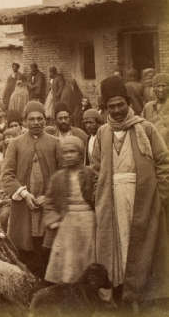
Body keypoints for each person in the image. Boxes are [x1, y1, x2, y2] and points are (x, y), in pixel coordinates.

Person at [92, 76, 169, 308]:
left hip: (143, 200)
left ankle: (146, 298)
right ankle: (121, 296)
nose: (116, 110)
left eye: (120, 105)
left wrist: (160, 198)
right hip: (112, 201)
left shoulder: (145, 128)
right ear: (105, 107)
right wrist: (99, 196)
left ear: (128, 103)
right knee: (118, 246)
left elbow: (163, 163)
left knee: (144, 246)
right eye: (111, 106)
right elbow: (96, 169)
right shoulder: (103, 132)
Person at [2, 101, 61, 278]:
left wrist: (49, 196)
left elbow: (63, 175)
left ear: (45, 121)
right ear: (25, 121)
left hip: (48, 207)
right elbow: (7, 175)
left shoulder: (55, 143)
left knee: (47, 250)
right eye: (31, 119)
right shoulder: (15, 144)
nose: (36, 122)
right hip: (23, 208)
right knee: (26, 253)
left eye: (40, 119)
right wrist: (24, 194)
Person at [43, 136, 95, 284]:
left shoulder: (90, 173)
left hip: (89, 221)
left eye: (73, 151)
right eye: (65, 152)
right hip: (68, 222)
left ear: (80, 153)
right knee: (69, 258)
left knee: (88, 255)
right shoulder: (58, 177)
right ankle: (69, 290)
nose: (69, 155)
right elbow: (50, 202)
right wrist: (53, 220)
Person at [141, 73, 169, 147]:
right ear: (153, 89)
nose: (161, 90)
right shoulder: (148, 107)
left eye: (164, 86)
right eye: (157, 86)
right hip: (154, 150)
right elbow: (141, 129)